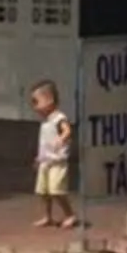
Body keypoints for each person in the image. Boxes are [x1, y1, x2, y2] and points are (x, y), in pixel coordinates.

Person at [30, 78, 76, 230]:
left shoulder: (59, 118)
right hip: (45, 161)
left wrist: (62, 138)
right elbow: (43, 143)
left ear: (49, 100)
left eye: (36, 102)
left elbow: (67, 130)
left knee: (57, 190)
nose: (34, 106)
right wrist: (39, 158)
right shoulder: (45, 122)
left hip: (57, 161)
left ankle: (69, 214)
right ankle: (47, 216)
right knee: (43, 191)